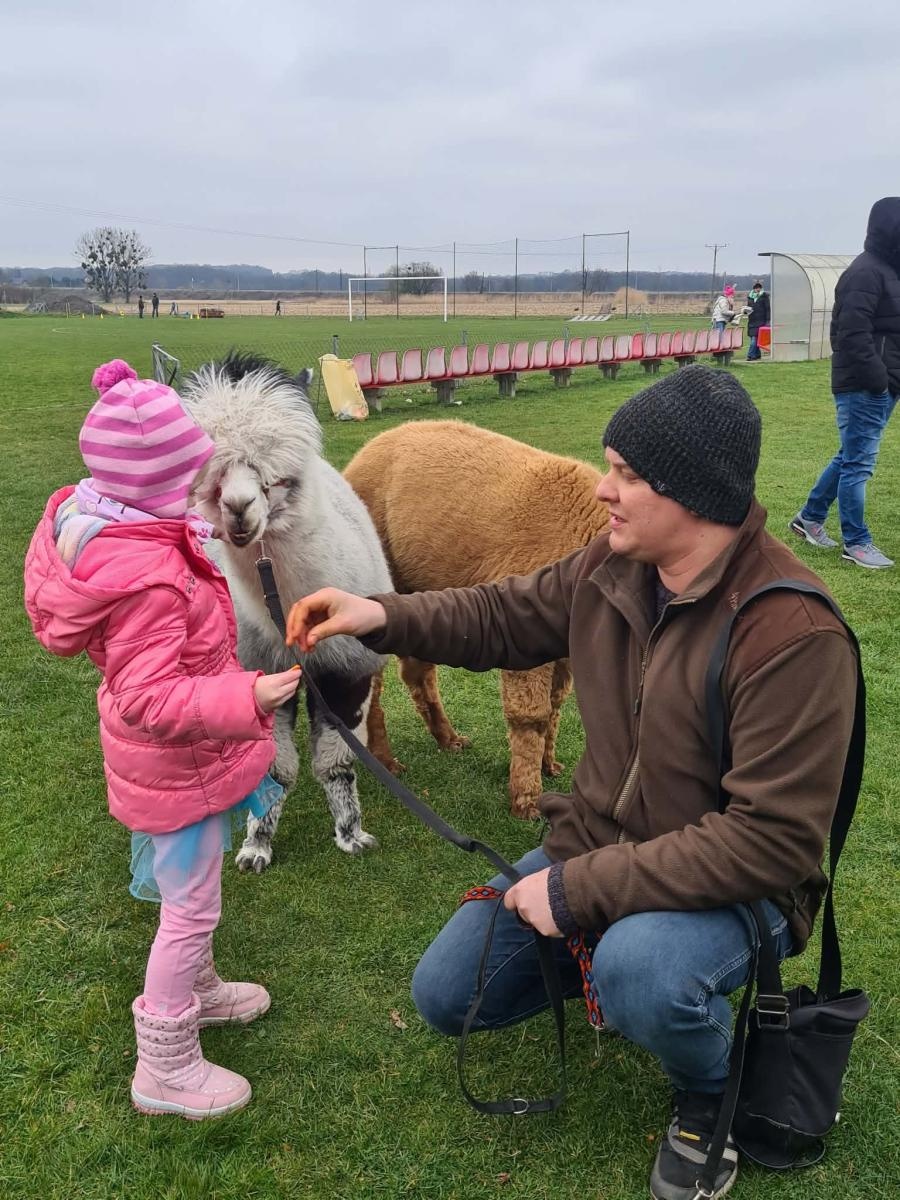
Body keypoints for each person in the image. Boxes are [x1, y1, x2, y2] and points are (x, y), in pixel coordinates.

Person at [285, 365, 857, 1200]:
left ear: (692, 495)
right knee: (448, 995)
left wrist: (577, 892)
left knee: (641, 972)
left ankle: (708, 1087)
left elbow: (771, 843)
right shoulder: (614, 567)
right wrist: (381, 613)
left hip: (743, 888)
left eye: (626, 474)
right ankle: (624, 974)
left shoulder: (794, 634)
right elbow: (502, 614)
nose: (602, 490)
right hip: (597, 843)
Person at [24, 359, 302, 1119]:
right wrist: (248, 693)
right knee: (188, 911)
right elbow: (150, 695)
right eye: (190, 479)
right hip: (173, 761)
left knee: (194, 897)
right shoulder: (144, 576)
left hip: (184, 762)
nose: (201, 493)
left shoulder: (124, 525)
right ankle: (166, 1064)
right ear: (154, 483)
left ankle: (201, 991)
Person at [790, 197, 899, 569]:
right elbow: (851, 333)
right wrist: (878, 380)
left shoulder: (887, 270)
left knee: (849, 456)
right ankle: (857, 543)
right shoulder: (866, 272)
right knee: (858, 464)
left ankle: (809, 516)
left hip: (882, 384)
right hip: (865, 385)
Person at [745, 280, 769, 361]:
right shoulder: (750, 297)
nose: (757, 289)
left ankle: (750, 355)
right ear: (754, 289)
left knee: (754, 340)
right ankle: (757, 355)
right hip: (752, 321)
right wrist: (746, 311)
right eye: (756, 288)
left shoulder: (764, 296)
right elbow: (748, 307)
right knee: (754, 340)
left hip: (761, 321)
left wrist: (768, 321)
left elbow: (768, 309)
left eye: (759, 287)